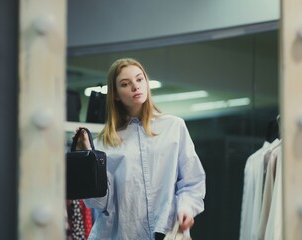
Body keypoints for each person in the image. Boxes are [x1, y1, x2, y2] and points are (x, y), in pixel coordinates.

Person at [76, 58, 206, 240]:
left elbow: (192, 182)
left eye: (139, 79)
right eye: (125, 84)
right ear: (115, 95)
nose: (135, 87)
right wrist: (87, 159)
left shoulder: (174, 127)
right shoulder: (104, 143)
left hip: (167, 233)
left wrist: (186, 207)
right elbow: (98, 202)